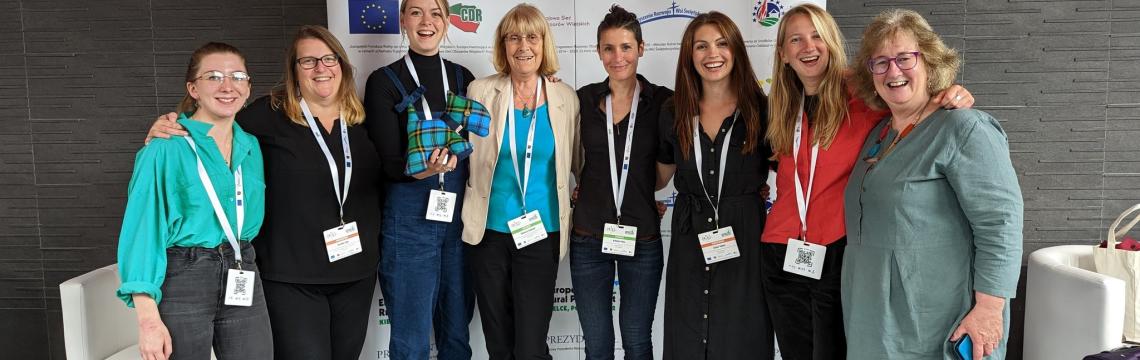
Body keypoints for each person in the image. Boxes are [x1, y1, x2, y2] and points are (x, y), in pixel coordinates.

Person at [145, 26, 383, 360]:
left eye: (329, 59)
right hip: (291, 277)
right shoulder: (267, 114)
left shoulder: (362, 118)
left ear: (342, 66)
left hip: (356, 272)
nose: (321, 68)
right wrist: (171, 125)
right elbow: (215, 120)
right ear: (294, 71)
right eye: (308, 61)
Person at [759, 4, 974, 359]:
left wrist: (952, 93)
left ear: (831, 42)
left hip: (837, 251)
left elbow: (914, 100)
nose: (807, 47)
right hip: (780, 250)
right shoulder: (780, 104)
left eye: (816, 36)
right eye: (795, 40)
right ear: (783, 53)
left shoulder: (863, 93)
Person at [843, 9, 1022, 359]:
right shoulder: (879, 134)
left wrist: (988, 310)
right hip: (873, 320)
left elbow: (1001, 223)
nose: (893, 71)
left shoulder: (964, 128)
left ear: (930, 61)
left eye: (904, 58)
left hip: (937, 321)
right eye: (880, 62)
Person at [117, 42, 272, 360]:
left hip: (242, 265)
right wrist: (147, 321)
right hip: (184, 276)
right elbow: (143, 232)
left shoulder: (251, 146)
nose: (228, 86)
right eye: (214, 76)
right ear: (193, 88)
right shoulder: (166, 146)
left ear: (248, 87)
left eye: (237, 76)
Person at [461, 4, 580, 359]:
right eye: (513, 37)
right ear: (503, 45)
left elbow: (581, 164)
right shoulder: (480, 92)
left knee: (529, 345)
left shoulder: (565, 98)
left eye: (532, 37)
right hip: (488, 233)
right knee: (498, 342)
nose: (523, 46)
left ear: (544, 44)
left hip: (540, 235)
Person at [655, 11, 774, 360]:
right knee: (688, 337)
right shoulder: (672, 111)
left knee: (743, 334)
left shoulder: (763, 110)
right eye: (701, 46)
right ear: (689, 55)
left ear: (736, 50)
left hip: (746, 235)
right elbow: (659, 177)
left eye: (722, 44)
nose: (713, 54)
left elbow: (793, 167)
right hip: (690, 236)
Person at [362, 0, 476, 358]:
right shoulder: (383, 81)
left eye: (436, 13)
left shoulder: (464, 78)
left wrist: (543, 78)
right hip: (409, 222)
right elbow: (387, 163)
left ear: (446, 22)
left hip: (457, 221)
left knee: (457, 333)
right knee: (410, 341)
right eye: (416, 12)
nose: (426, 22)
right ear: (402, 21)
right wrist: (428, 169)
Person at [570, 5, 672, 360]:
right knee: (596, 344)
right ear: (598, 52)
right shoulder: (582, 99)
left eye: (626, 47)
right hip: (588, 238)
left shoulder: (663, 102)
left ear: (641, 49)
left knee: (637, 340)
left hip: (641, 238)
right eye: (609, 48)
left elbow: (662, 176)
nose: (618, 57)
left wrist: (639, 194)